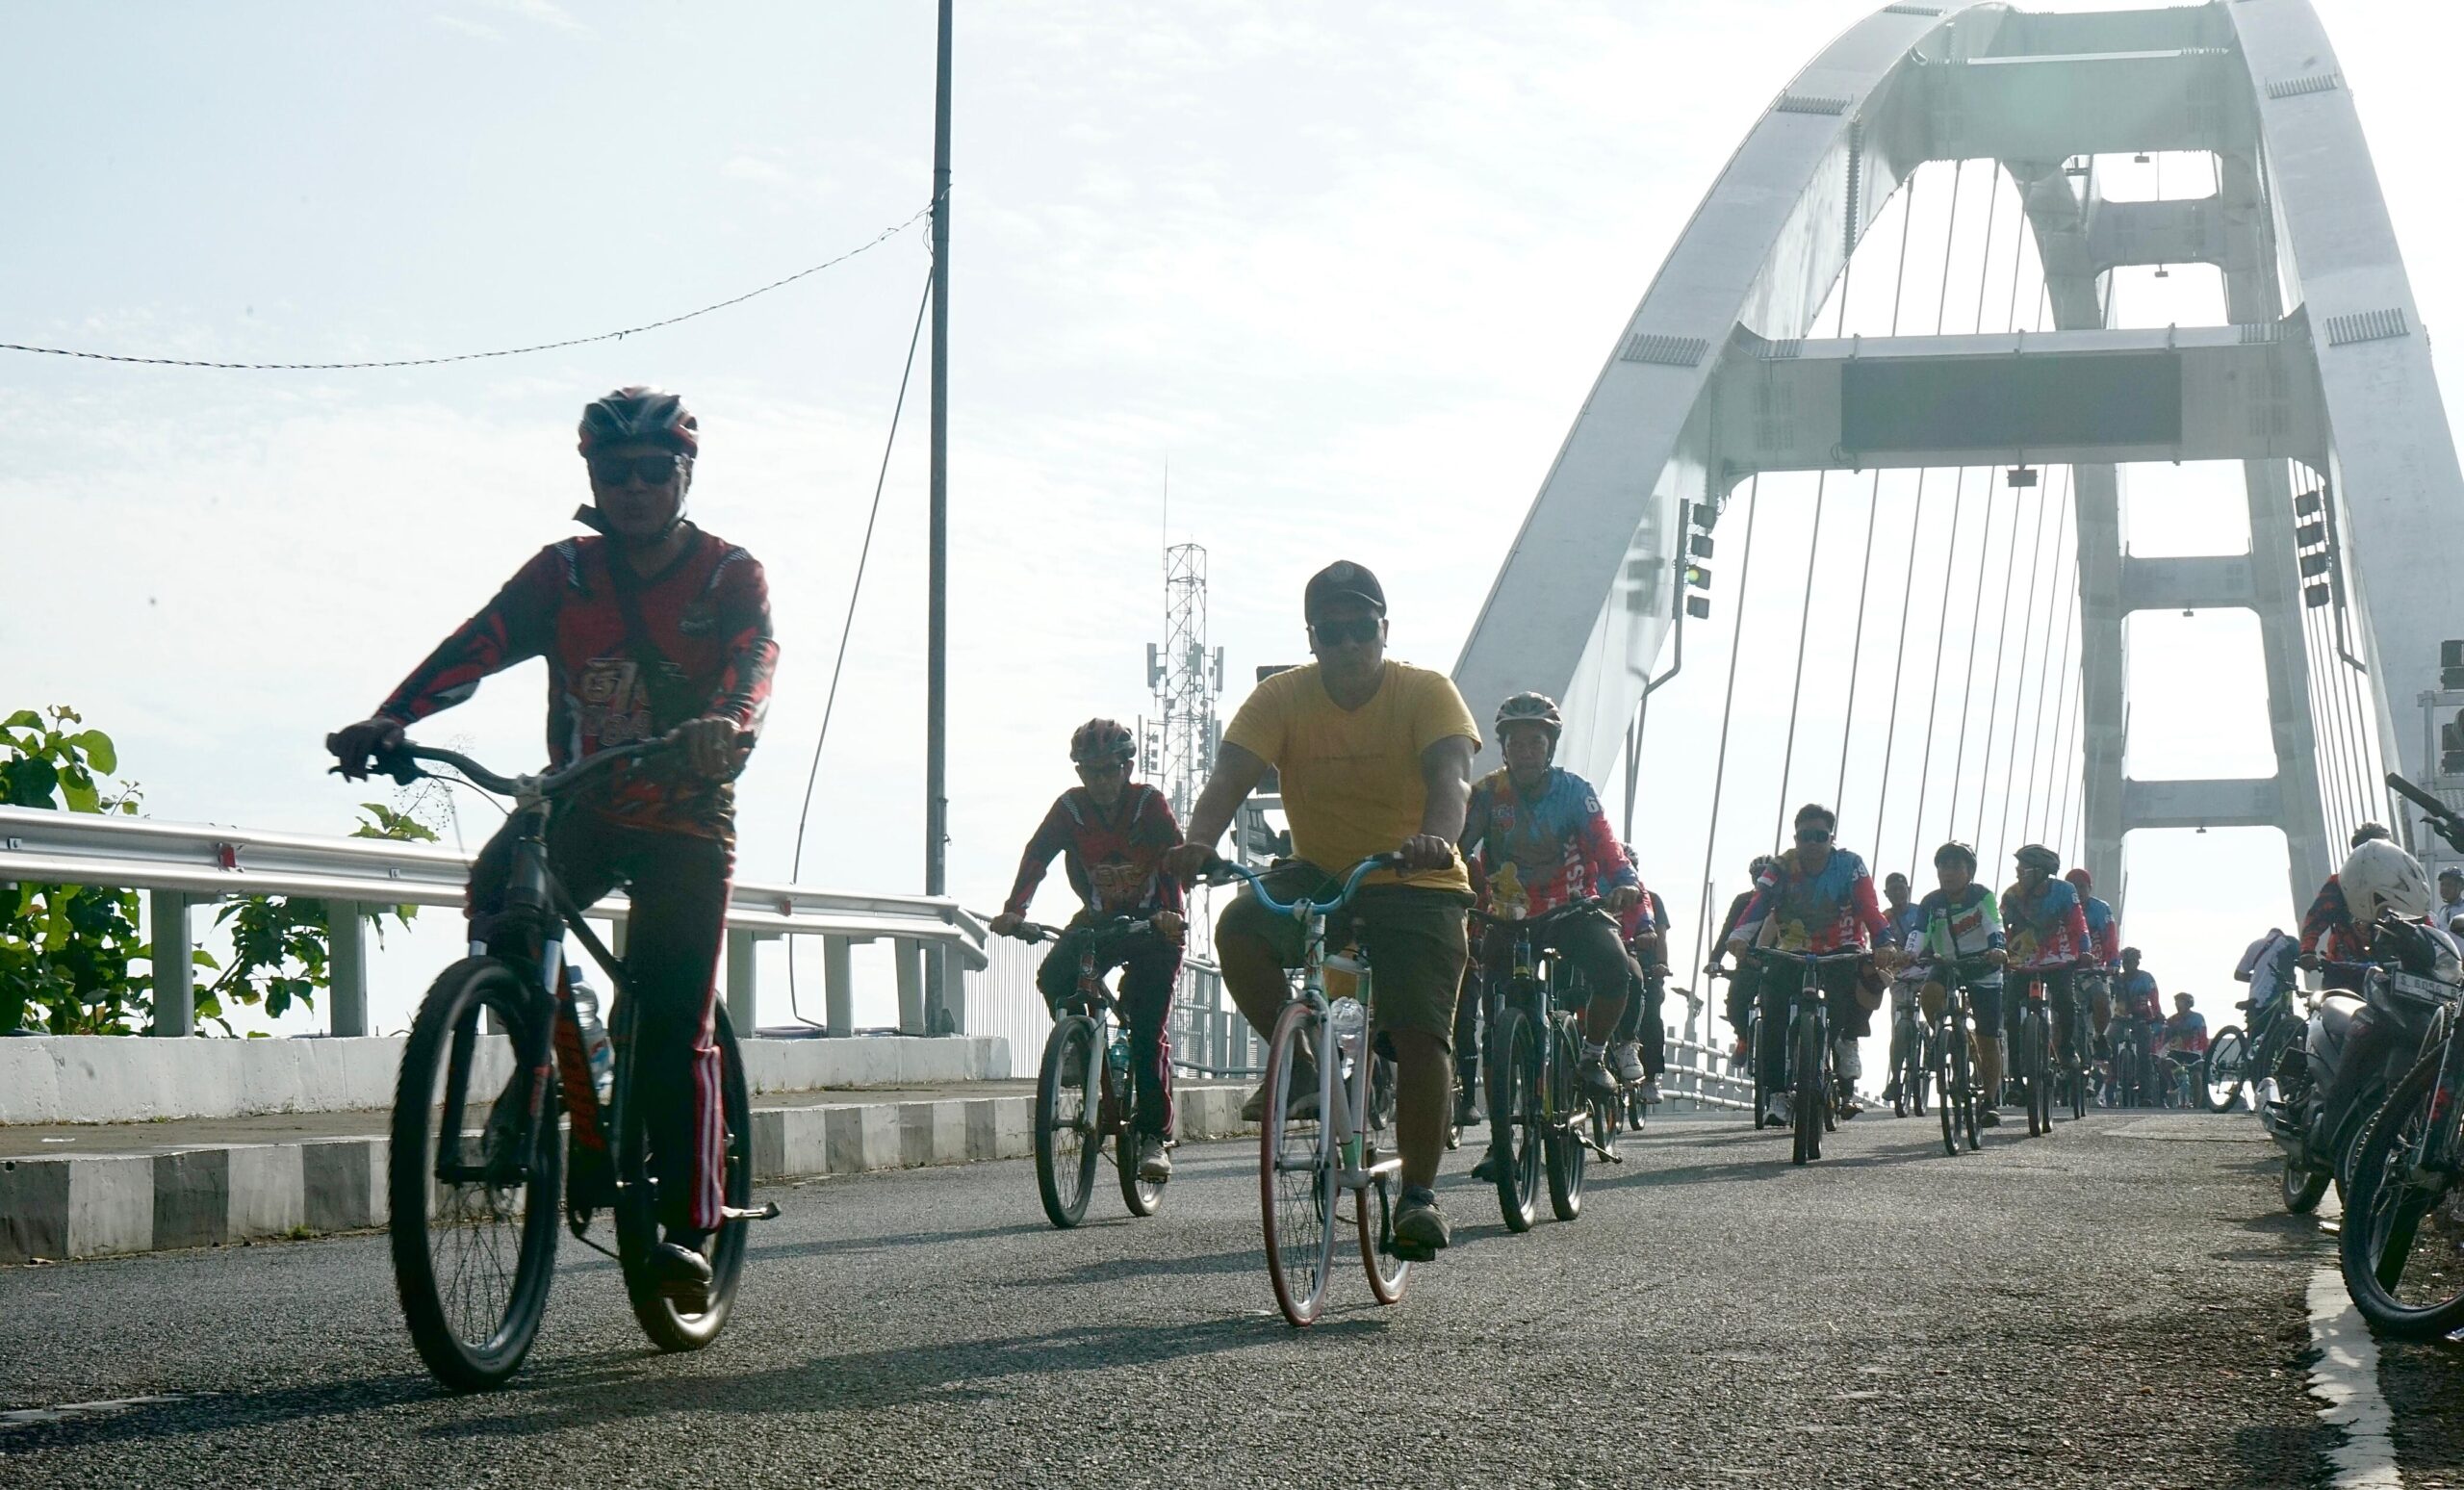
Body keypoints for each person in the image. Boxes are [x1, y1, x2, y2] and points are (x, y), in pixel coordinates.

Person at [328, 387, 778, 1309]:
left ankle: (690, 1226)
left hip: (687, 817)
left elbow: (754, 664)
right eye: (617, 473)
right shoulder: (564, 575)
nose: (637, 487)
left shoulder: (730, 574)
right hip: (582, 802)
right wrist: (392, 715)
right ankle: (543, 1060)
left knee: (671, 1022)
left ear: (685, 474)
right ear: (593, 479)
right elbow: (478, 644)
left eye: (655, 470)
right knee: (500, 885)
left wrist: (727, 725)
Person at [1164, 560, 1477, 1256]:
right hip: (1322, 868)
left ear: (1384, 630)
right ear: (1313, 639)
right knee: (1242, 925)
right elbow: (1231, 776)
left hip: (1412, 875)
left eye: (1362, 629)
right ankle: (1302, 1062)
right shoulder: (1283, 699)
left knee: (1423, 1033)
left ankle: (1421, 1198)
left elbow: (1451, 777)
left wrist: (1435, 841)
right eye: (1331, 633)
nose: (1348, 646)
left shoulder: (1426, 692)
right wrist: (1197, 843)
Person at [989, 719, 1188, 1182]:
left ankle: (1155, 1138)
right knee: (1056, 977)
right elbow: (1037, 855)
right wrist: (1015, 910)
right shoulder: (1070, 810)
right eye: (1090, 771)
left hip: (1154, 923)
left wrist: (1172, 914)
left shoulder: (1147, 805)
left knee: (1144, 1027)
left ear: (1127, 767)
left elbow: (1176, 857)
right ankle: (1083, 1045)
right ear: (1079, 772)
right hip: (1100, 920)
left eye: (1109, 770)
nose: (1100, 781)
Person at [1725, 804, 1898, 1124]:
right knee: (1773, 1012)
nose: (1813, 843)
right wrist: (1739, 936)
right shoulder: (1780, 867)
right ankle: (1777, 1093)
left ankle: (1847, 1039)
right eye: (1806, 836)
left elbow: (1870, 907)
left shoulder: (1850, 865)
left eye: (1821, 836)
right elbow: (1759, 902)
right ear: (1796, 838)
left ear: (1831, 838)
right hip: (1793, 949)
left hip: (1842, 946)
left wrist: (1884, 942)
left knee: (1854, 986)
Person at [1904, 842, 2007, 1124]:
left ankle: (1989, 1100)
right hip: (1946, 964)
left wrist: (1998, 948)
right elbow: (1919, 931)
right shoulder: (1931, 901)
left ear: (1969, 872)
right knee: (1929, 993)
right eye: (1943, 866)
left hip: (1982, 964)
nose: (1948, 872)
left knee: (1988, 1037)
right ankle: (1945, 1040)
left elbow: (1994, 924)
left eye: (1955, 866)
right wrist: (1908, 954)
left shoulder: (1981, 896)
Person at [2001, 843, 2093, 1089]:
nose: (2018, 871)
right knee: (2010, 1014)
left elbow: (2078, 923)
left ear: (2039, 871)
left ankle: (2065, 1049)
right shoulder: (2011, 895)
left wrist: (2084, 950)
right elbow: (2001, 928)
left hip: (2059, 957)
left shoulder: (2064, 891)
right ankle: (2016, 1077)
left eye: (2023, 867)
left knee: (2065, 1001)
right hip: (2023, 961)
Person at [2299, 823, 2397, 987]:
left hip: (2394, 968)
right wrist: (2307, 952)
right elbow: (2316, 918)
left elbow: (2420, 917)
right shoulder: (2340, 883)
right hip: (2346, 969)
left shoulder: (2399, 884)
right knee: (2334, 1009)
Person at [1607, 869, 1674, 1104]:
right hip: (1606, 960)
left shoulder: (1650, 900)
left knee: (1651, 1015)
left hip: (1644, 964)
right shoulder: (1596, 893)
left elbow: (1660, 937)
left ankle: (1650, 1078)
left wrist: (1661, 963)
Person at [1710, 855, 1779, 1062]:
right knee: (1735, 1003)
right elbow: (1729, 930)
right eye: (1756, 875)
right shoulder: (1743, 901)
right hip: (1748, 961)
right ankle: (1743, 1038)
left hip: (1779, 961)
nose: (1760, 879)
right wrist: (1715, 959)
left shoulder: (1786, 898)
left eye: (1764, 874)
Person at [1877, 871, 1929, 1110]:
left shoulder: (1920, 912)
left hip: (1926, 972)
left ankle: (1934, 1049)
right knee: (1898, 1029)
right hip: (1900, 978)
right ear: (1887, 894)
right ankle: (1896, 1080)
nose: (1898, 893)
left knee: (1935, 1012)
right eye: (1893, 890)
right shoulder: (1883, 920)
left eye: (1902, 888)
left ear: (1908, 889)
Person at [2066, 866, 2122, 1040]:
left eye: (2082, 886)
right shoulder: (2060, 907)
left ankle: (2099, 1038)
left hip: (2093, 969)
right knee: (2060, 1017)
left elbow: (2110, 937)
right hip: (2064, 969)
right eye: (2072, 887)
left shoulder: (2100, 908)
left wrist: (2113, 964)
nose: (2078, 891)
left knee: (2101, 999)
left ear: (2090, 888)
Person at [2106, 947, 2160, 1106]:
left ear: (2137, 962)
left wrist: (2157, 1014)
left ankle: (2146, 1095)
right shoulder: (2116, 978)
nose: (2128, 965)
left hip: (2142, 1018)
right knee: (2109, 1039)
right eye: (2125, 962)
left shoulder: (2146, 978)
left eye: (2131, 962)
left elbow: (2154, 998)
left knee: (2144, 1056)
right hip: (2120, 1018)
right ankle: (2112, 1077)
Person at [2158, 993, 2209, 1104]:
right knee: (2163, 1064)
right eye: (2176, 1002)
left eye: (2181, 1002)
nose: (2178, 1005)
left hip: (2194, 1054)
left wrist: (2206, 1054)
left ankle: (2197, 1104)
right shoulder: (2171, 1020)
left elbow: (2203, 1037)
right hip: (2177, 1054)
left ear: (2189, 1004)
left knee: (2197, 1075)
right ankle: (2172, 1085)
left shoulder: (2198, 1018)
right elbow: (2165, 1039)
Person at [2437, 867, 2464, 933]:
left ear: (2461, 887)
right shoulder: (2442, 911)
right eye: (2442, 884)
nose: (2444, 888)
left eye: (2449, 885)